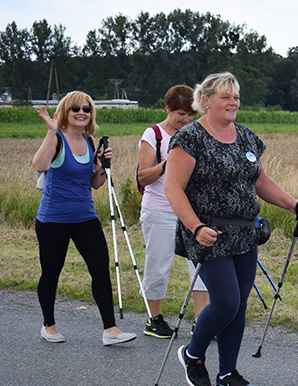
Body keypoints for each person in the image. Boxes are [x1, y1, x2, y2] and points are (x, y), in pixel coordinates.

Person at [166, 72, 298, 386]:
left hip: (245, 233)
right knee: (226, 301)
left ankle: (227, 373)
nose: (233, 102)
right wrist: (196, 227)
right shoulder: (190, 138)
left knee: (238, 305)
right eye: (226, 96)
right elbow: (172, 188)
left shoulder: (246, 137)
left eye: (236, 96)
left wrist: (292, 204)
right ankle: (193, 353)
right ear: (206, 100)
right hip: (209, 232)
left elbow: (260, 181)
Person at [32, 91, 137, 346]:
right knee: (51, 271)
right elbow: (39, 165)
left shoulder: (90, 142)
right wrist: (51, 131)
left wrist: (103, 167)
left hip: (85, 216)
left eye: (87, 109)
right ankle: (49, 325)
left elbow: (95, 183)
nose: (82, 113)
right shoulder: (57, 139)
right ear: (65, 112)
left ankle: (110, 329)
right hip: (53, 218)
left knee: (100, 268)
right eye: (76, 108)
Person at [137, 85, 208, 338]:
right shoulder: (153, 134)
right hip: (160, 211)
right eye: (180, 114)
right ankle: (154, 318)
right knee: (158, 266)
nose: (186, 119)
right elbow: (143, 176)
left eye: (190, 114)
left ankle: (201, 321)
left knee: (201, 267)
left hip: (191, 212)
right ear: (167, 109)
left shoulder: (196, 134)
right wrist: (168, 165)